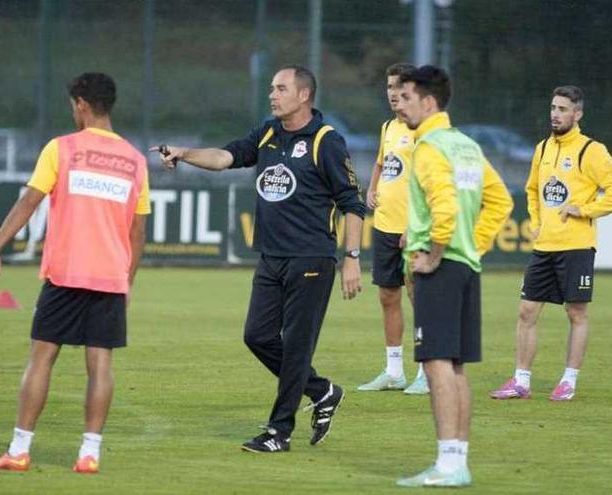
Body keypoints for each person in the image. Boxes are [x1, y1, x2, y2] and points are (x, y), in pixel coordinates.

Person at [153, 65, 365, 453]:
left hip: (312, 258)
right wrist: (184, 153)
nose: (272, 94)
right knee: (257, 336)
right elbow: (225, 157)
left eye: (281, 88)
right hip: (271, 256)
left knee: (297, 348)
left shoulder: (326, 140)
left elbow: (352, 203)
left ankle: (278, 432)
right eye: (271, 88)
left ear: (304, 95)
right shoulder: (268, 131)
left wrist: (351, 257)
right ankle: (322, 391)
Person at [0, 72, 149, 474]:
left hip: (65, 273)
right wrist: (125, 280)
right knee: (101, 365)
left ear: (80, 104)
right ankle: (89, 453)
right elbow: (138, 230)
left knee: (41, 359)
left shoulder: (61, 149)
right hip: (110, 275)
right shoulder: (134, 159)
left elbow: (29, 201)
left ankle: (19, 450)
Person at [394, 66, 512, 488]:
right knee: (456, 367)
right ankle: (456, 461)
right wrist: (472, 244)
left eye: (406, 96)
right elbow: (499, 201)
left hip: (441, 268)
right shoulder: (466, 145)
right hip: (465, 266)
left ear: (428, 102)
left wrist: (436, 251)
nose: (400, 103)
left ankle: (447, 465)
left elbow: (443, 205)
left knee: (436, 365)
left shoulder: (428, 147)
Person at [490, 86, 612, 402]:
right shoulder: (543, 149)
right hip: (545, 246)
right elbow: (533, 190)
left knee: (576, 313)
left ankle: (569, 381)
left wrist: (585, 210)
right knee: (526, 311)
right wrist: (536, 223)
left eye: (563, 109)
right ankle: (521, 380)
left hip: (576, 246)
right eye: (553, 107)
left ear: (578, 114)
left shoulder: (592, 151)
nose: (555, 114)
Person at [357, 62, 430, 395]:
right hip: (385, 224)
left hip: (413, 229)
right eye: (388, 88)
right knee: (388, 296)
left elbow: (433, 182)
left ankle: (428, 372)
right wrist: (371, 188)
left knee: (421, 298)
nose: (392, 94)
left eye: (399, 88)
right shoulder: (388, 127)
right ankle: (394, 371)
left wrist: (416, 226)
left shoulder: (425, 129)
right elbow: (381, 162)